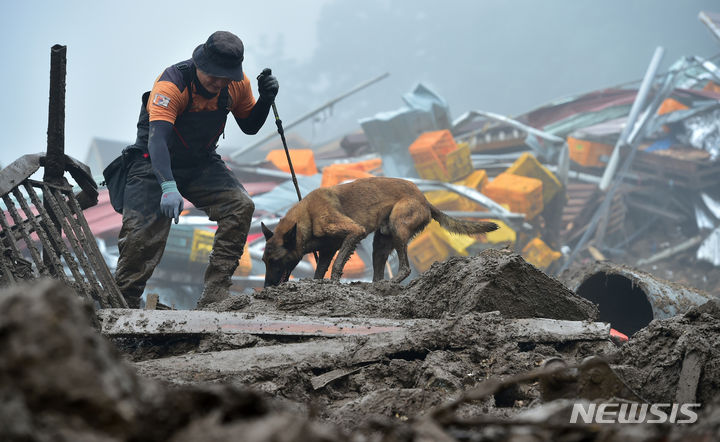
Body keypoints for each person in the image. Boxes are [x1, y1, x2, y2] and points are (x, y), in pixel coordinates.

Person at [113, 31, 278, 308]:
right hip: (153, 161)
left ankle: (215, 293)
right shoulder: (171, 85)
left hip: (201, 162)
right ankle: (123, 303)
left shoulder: (236, 85)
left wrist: (265, 99)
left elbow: (249, 126)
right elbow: (158, 142)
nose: (218, 82)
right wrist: (167, 185)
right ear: (198, 64)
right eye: (212, 75)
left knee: (240, 206)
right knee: (142, 237)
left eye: (225, 76)